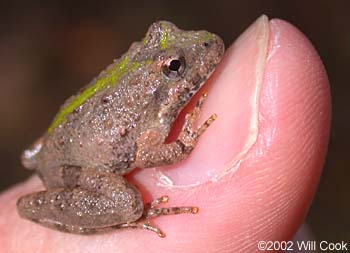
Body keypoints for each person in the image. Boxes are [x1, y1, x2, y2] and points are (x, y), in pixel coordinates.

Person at [0, 16, 331, 252]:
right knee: (129, 203)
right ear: (166, 79)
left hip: (52, 143)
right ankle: (127, 219)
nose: (199, 44)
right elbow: (147, 154)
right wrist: (185, 144)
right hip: (79, 167)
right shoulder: (150, 113)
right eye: (176, 66)